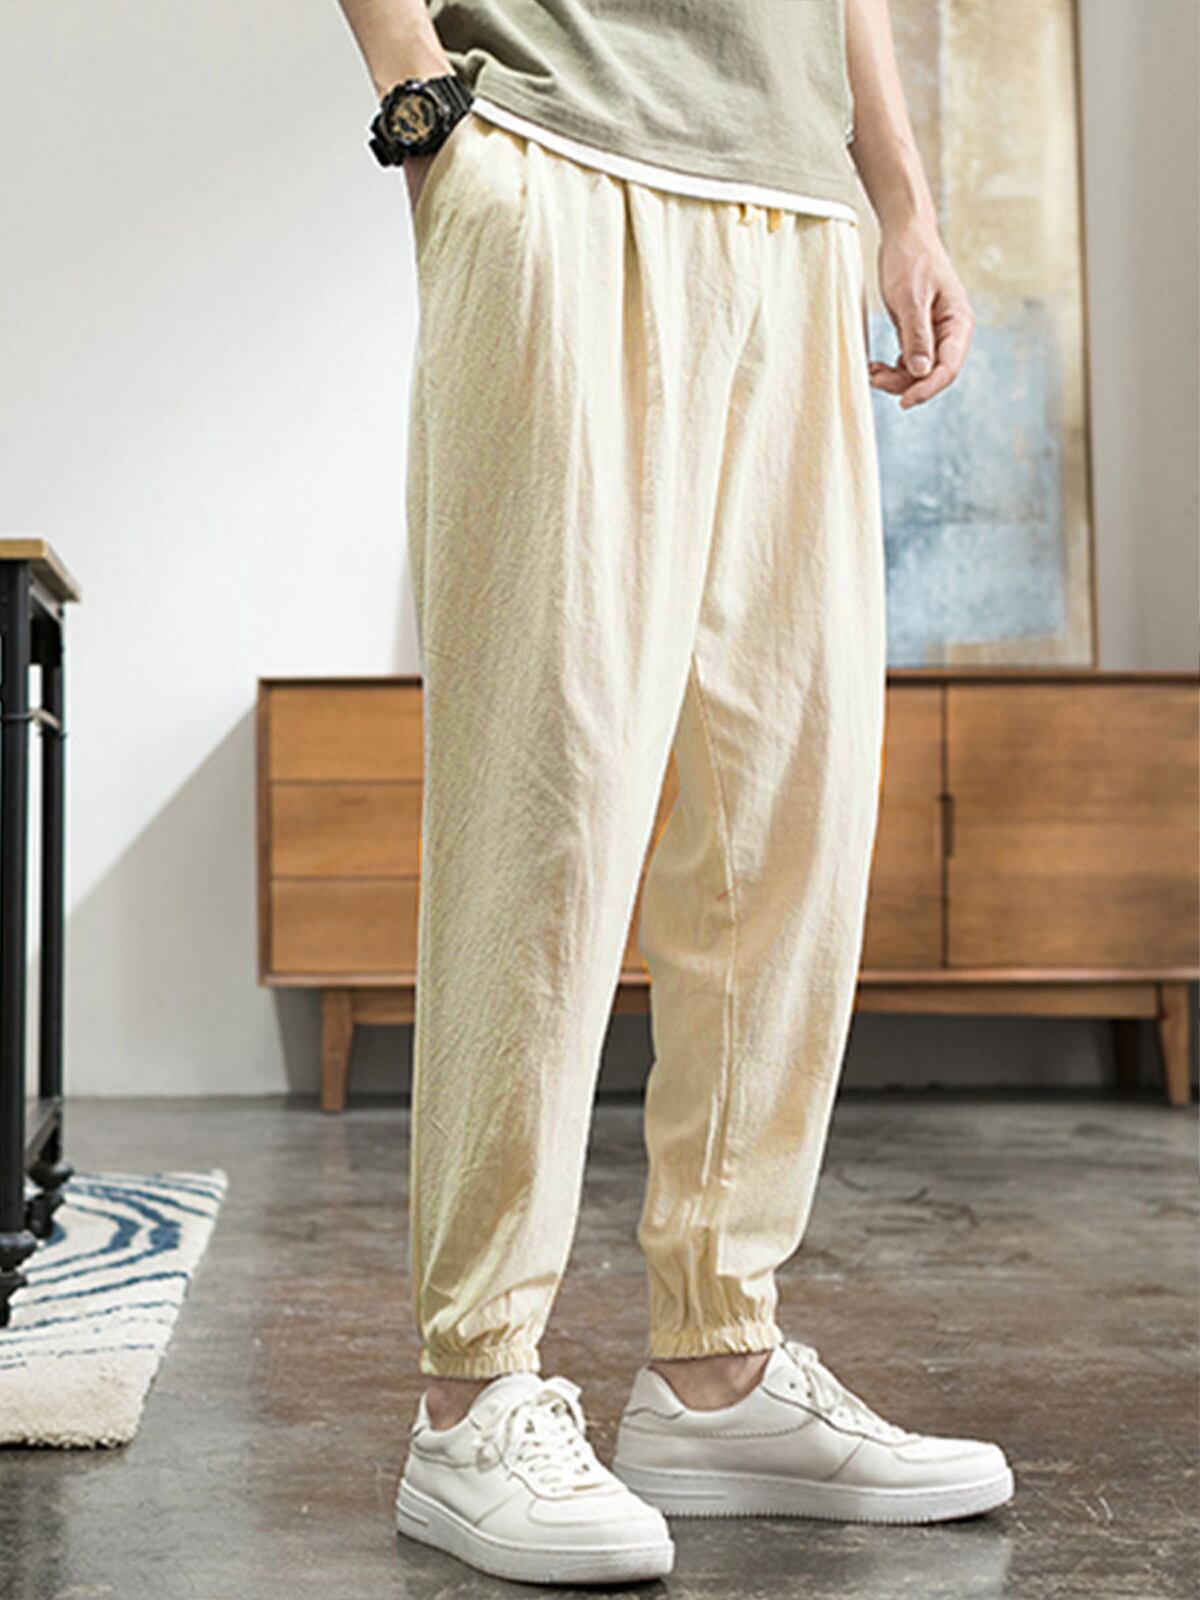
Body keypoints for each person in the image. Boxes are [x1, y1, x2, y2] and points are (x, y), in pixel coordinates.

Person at [334, 0, 1012, 1583]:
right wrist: (422, 106)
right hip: (561, 152)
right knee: (551, 803)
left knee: (788, 814)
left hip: (795, 213)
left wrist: (903, 202)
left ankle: (720, 1364)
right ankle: (472, 1389)